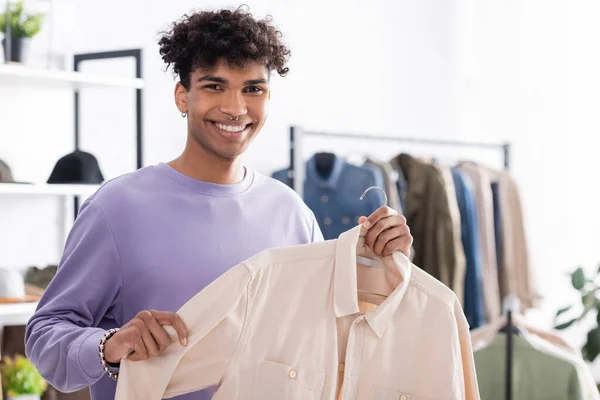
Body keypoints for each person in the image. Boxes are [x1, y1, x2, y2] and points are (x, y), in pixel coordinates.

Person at [25, 6, 413, 400]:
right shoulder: (116, 208)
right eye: (214, 86)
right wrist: (109, 345)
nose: (235, 107)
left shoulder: (292, 212)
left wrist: (382, 266)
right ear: (182, 97)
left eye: (252, 89)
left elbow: (329, 335)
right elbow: (45, 337)